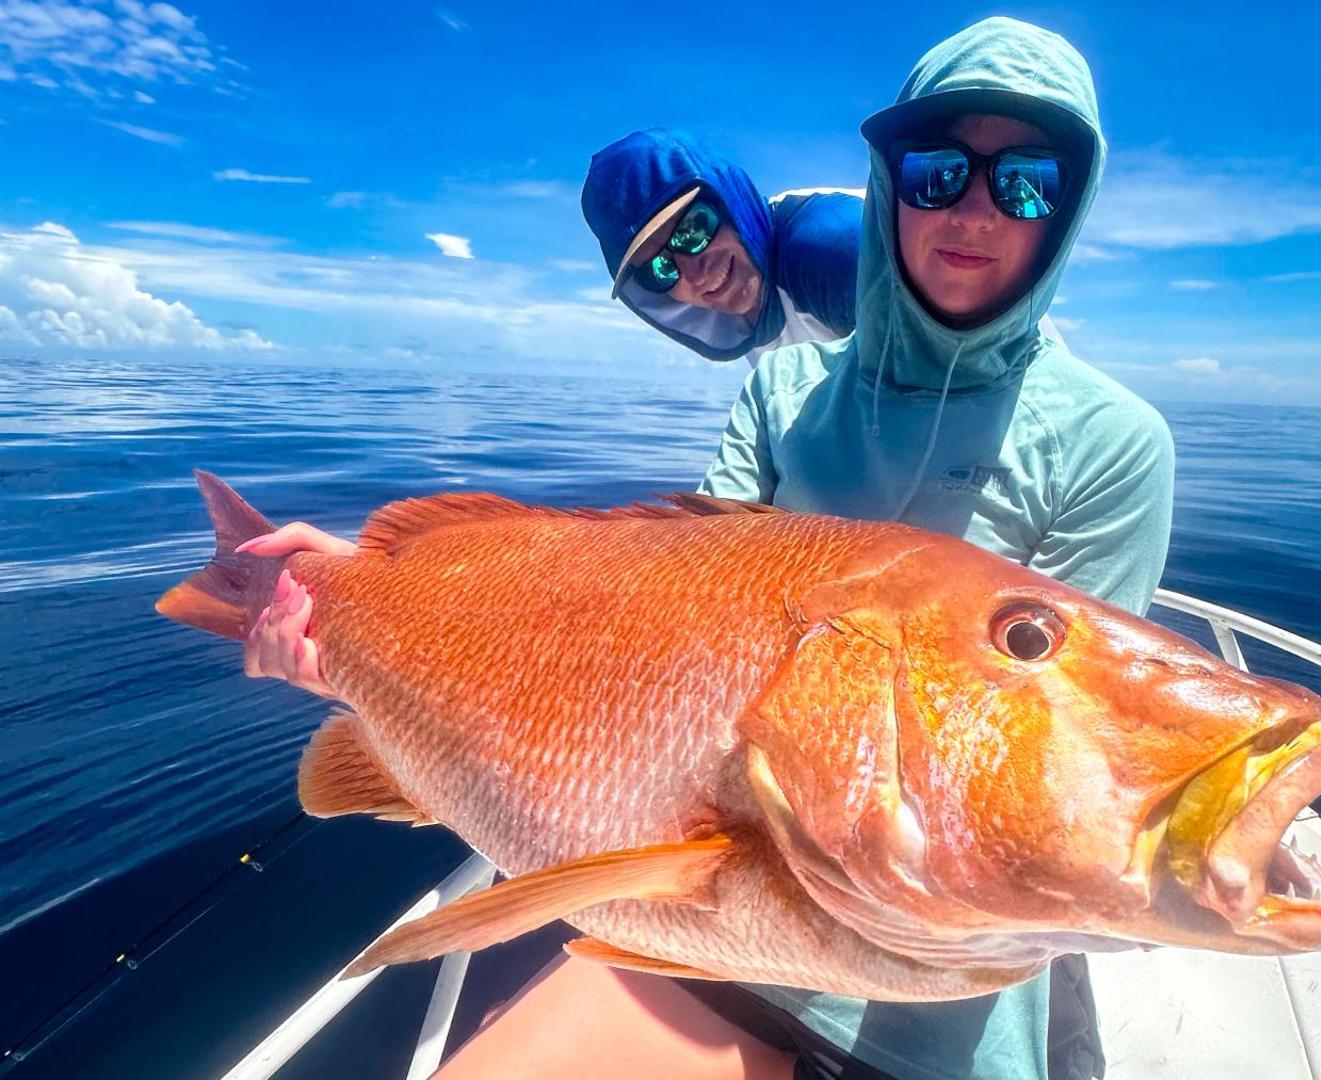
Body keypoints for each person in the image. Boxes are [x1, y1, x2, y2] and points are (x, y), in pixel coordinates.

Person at [240, 17, 1172, 1079]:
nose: (972, 209)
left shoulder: (1112, 443)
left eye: (1027, 182)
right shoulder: (780, 389)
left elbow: (1081, 754)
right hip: (702, 918)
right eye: (939, 172)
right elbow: (654, 625)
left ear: (1071, 207)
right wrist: (366, 621)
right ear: (890, 182)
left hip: (924, 981)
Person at [581, 128, 862, 366]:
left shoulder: (829, 251)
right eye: (659, 269)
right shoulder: (752, 308)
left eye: (692, 231)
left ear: (728, 199)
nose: (694, 275)